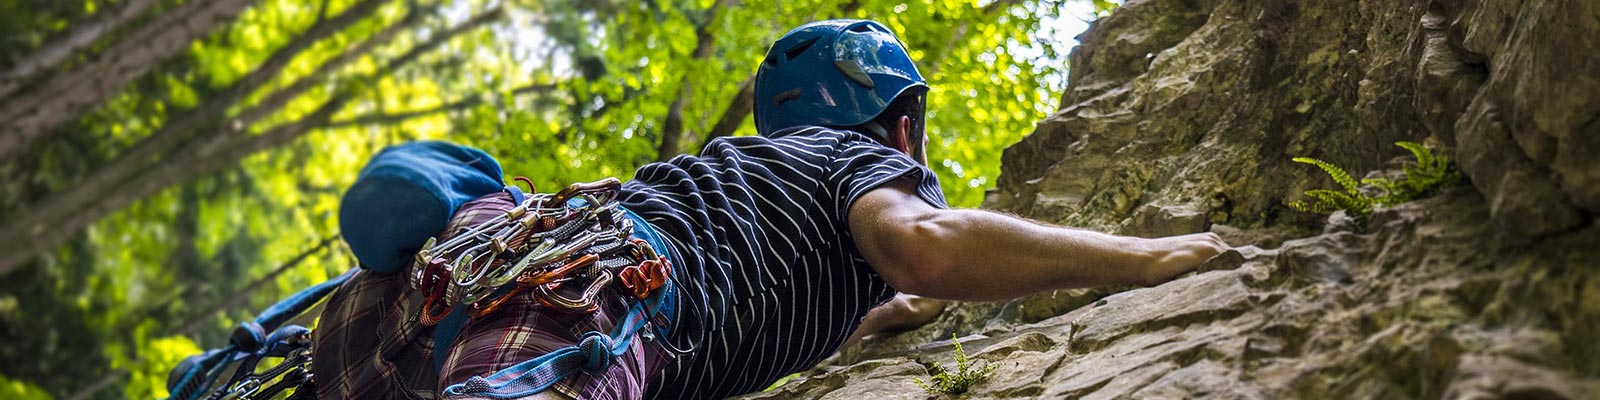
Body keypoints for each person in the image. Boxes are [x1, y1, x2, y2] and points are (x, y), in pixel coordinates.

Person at [312, 19, 1228, 400]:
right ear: (898, 126)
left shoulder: (753, 194)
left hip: (419, 293)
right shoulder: (855, 159)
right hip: (580, 301)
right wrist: (1144, 260)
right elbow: (926, 254)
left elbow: (903, 305)